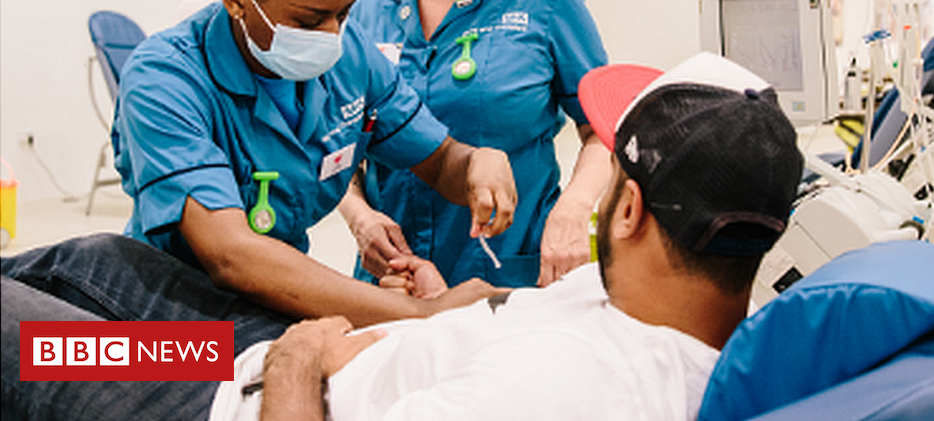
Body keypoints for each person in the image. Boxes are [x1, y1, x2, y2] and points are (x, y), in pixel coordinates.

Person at [2, 53, 805, 421]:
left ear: (628, 214)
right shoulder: (659, 303)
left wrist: (297, 361)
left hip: (224, 396)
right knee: (95, 259)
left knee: (30, 339)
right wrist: (446, 315)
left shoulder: (560, 389)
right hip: (272, 358)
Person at [111, 0, 516, 324]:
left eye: (343, 14)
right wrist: (419, 313)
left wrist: (477, 163)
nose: (332, 36)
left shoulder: (351, 57)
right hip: (162, 315)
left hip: (274, 299)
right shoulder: (164, 78)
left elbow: (438, 162)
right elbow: (230, 254)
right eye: (308, 21)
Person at [339, 0, 611, 289]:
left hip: (506, 267)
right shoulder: (370, 10)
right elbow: (337, 141)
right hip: (393, 277)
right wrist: (359, 217)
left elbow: (602, 129)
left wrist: (575, 207)